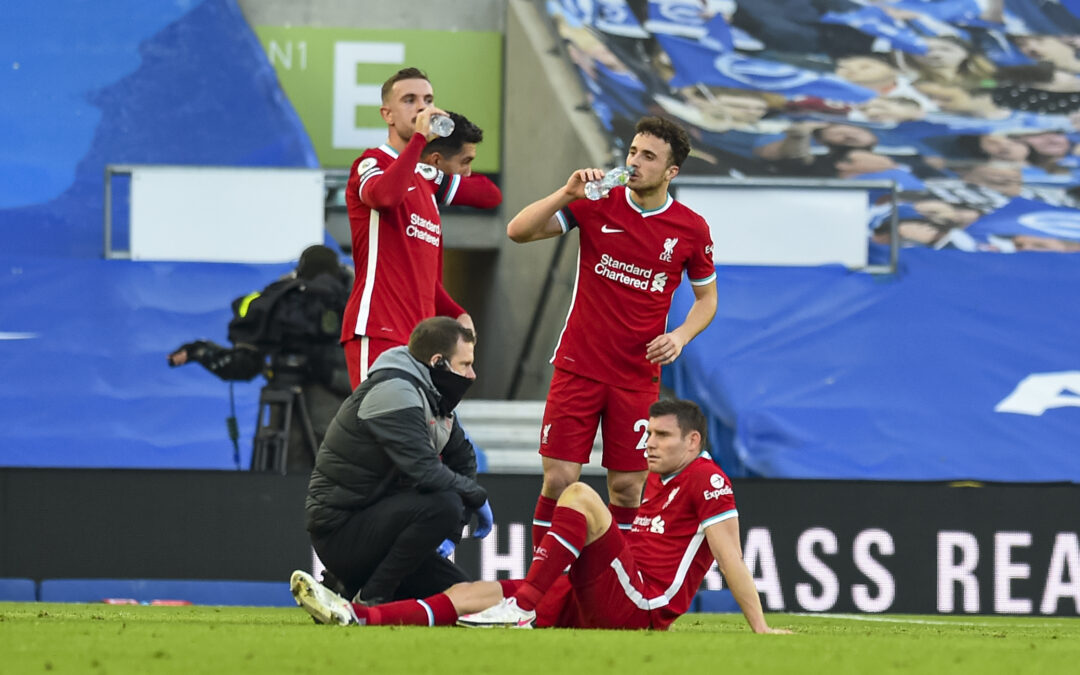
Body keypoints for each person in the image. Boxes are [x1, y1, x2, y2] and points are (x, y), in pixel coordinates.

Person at [290, 399, 790, 634]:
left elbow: (732, 560)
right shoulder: (659, 478)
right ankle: (356, 615)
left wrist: (760, 629)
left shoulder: (709, 479)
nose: (648, 444)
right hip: (606, 593)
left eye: (660, 436)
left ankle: (525, 603)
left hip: (641, 606)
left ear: (693, 441)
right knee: (468, 594)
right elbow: (623, 544)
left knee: (581, 493)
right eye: (648, 434)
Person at [506, 116, 718, 548]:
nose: (634, 162)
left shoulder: (690, 229)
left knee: (626, 488)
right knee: (560, 478)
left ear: (671, 172)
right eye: (633, 151)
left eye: (648, 156)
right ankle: (543, 588)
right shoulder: (598, 201)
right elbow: (518, 231)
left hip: (636, 377)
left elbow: (707, 300)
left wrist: (679, 337)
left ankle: (616, 586)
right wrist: (566, 193)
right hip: (578, 365)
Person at [305, 316, 494, 605]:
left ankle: (346, 586)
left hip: (382, 530)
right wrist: (476, 497)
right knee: (445, 503)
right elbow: (425, 471)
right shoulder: (394, 391)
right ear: (438, 362)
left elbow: (464, 460)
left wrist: (453, 533)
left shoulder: (432, 396)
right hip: (340, 530)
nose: (472, 375)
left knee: (466, 598)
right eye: (465, 364)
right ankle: (369, 599)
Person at [341, 68, 501, 388]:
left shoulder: (426, 179)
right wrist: (418, 141)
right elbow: (385, 197)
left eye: (428, 100)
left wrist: (456, 312)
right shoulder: (371, 163)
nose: (421, 108)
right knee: (381, 430)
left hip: (422, 341)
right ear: (387, 114)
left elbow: (489, 195)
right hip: (379, 328)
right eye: (409, 100)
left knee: (419, 435)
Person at [167, 244, 351, 473]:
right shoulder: (349, 303)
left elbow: (244, 362)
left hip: (297, 406)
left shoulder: (277, 299)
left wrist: (202, 351)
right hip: (329, 416)